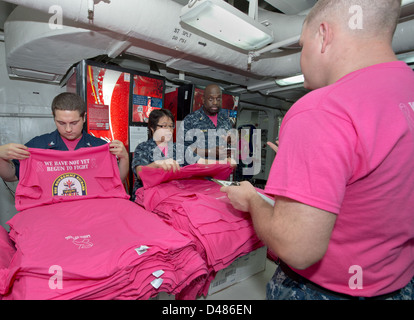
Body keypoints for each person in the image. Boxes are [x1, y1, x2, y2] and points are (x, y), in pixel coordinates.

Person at [221, 0, 414, 300]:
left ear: (323, 35)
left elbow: (296, 248)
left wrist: (251, 201)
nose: (301, 57)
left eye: (301, 45)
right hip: (400, 285)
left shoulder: (323, 109)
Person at [0, 92, 129, 183]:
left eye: (74, 123)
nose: (68, 129)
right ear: (53, 117)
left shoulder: (99, 146)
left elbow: (117, 179)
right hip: (53, 213)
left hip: (89, 210)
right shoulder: (39, 145)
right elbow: (12, 175)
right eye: (61, 123)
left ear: (84, 117)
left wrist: (124, 157)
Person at [177, 84, 234, 165]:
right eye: (211, 99)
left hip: (220, 173)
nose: (215, 102)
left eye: (218, 99)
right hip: (198, 174)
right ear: (203, 100)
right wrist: (209, 152)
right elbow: (180, 150)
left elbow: (230, 145)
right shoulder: (190, 120)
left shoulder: (225, 120)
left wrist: (231, 142)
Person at [131, 108, 182, 199]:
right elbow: (139, 172)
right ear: (152, 128)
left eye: (171, 126)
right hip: (147, 197)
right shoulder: (143, 147)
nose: (169, 130)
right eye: (164, 126)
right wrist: (158, 164)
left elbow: (198, 162)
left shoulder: (177, 148)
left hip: (172, 195)